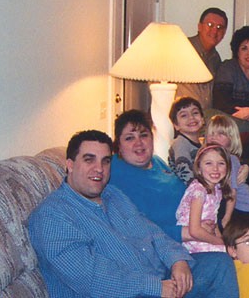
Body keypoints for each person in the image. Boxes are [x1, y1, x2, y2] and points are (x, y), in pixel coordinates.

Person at [29, 130, 238, 297]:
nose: (99, 169)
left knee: (219, 265)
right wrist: (156, 287)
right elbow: (91, 278)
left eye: (105, 161)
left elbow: (152, 231)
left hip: (162, 279)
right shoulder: (53, 216)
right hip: (129, 292)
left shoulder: (113, 195)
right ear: (70, 165)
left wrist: (178, 260)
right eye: (89, 160)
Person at [109, 110, 187, 242]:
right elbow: (133, 230)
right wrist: (185, 233)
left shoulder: (157, 162)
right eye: (129, 138)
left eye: (144, 135)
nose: (138, 143)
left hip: (193, 230)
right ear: (119, 146)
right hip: (165, 245)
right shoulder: (113, 172)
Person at [176, 144, 233, 254]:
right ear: (199, 168)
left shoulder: (217, 189)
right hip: (192, 243)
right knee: (235, 252)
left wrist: (222, 240)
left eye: (221, 163)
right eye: (208, 163)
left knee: (238, 249)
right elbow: (194, 231)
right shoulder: (199, 190)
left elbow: (213, 223)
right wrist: (220, 243)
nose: (215, 168)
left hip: (206, 238)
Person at [205, 114, 249, 219]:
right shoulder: (205, 159)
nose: (214, 137)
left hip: (244, 209)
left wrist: (226, 218)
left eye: (221, 134)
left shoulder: (231, 159)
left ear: (231, 139)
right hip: (229, 207)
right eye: (211, 133)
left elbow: (232, 193)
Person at [176, 7, 228, 109]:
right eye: (210, 25)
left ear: (224, 33)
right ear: (199, 27)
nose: (214, 31)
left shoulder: (215, 58)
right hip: (180, 117)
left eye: (219, 27)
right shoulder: (182, 47)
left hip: (203, 118)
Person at [168, 96, 205, 185]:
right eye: (184, 115)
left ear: (203, 119)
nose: (191, 117)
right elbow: (186, 174)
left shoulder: (203, 144)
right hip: (188, 193)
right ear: (176, 125)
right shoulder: (180, 143)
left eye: (195, 113)